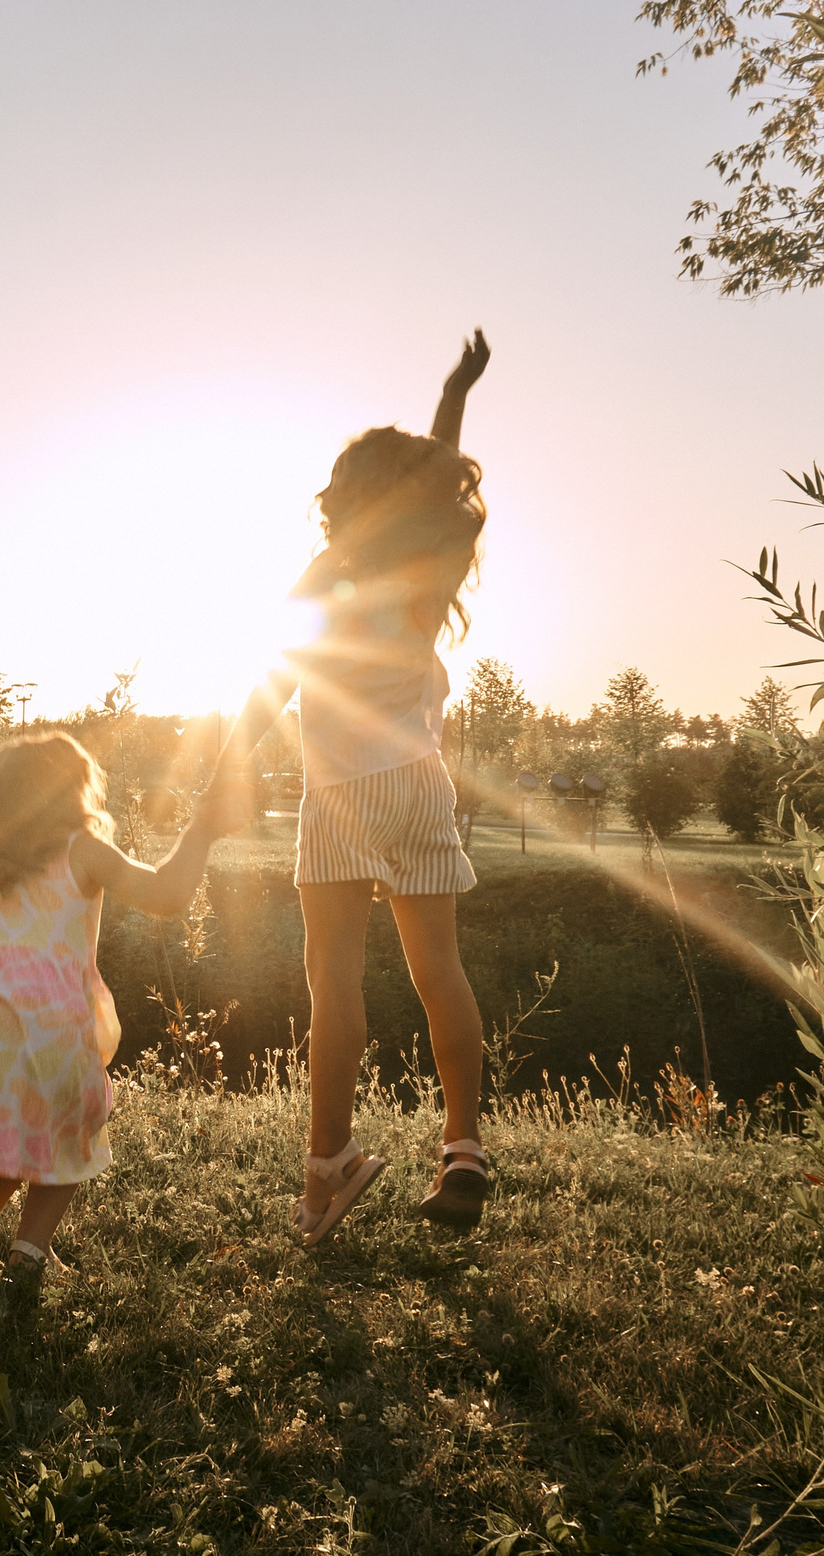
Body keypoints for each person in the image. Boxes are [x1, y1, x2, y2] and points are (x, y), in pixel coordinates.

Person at [218, 329, 497, 1245]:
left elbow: (278, 676)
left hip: (341, 792)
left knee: (332, 980)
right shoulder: (432, 569)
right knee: (437, 969)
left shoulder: (329, 570)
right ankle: (463, 1148)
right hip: (419, 782)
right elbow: (445, 468)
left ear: (345, 499)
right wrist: (456, 391)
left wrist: (225, 765)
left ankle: (327, 1167)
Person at [0, 732, 232, 1272]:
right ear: (74, 793)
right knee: (71, 1131)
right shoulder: (81, 848)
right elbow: (166, 895)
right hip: (46, 1026)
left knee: (10, 1131)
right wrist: (202, 830)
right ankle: (29, 1252)